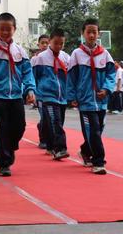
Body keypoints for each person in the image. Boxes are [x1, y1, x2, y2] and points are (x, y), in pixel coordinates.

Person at [0, 13, 36, 177]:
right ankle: (4, 163)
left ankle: (9, 148)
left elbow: (27, 72)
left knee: (20, 126)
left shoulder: (20, 51)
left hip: (16, 96)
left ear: (14, 30)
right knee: (2, 129)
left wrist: (30, 89)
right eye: (2, 29)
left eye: (8, 29)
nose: (5, 32)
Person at [67, 18, 115, 175]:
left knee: (98, 129)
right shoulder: (76, 54)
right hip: (85, 101)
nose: (92, 35)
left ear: (99, 34)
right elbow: (71, 78)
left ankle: (85, 151)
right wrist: (72, 96)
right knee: (93, 130)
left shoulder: (105, 54)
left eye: (94, 32)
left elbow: (111, 74)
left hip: (101, 101)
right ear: (83, 33)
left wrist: (107, 89)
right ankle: (99, 162)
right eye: (89, 32)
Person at [32, 29, 70, 160]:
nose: (58, 46)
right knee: (55, 121)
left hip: (62, 97)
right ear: (50, 42)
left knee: (56, 122)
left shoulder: (66, 58)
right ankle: (61, 148)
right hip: (47, 95)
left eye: (61, 43)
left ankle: (49, 145)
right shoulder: (41, 58)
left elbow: (69, 78)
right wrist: (34, 93)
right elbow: (34, 77)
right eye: (56, 43)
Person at [31, 34, 50, 149]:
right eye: (42, 43)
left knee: (49, 117)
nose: (45, 45)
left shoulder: (52, 58)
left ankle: (45, 133)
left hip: (51, 93)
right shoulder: (35, 59)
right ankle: (43, 139)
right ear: (38, 44)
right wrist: (33, 93)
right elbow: (33, 77)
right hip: (40, 93)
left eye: (47, 43)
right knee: (44, 116)